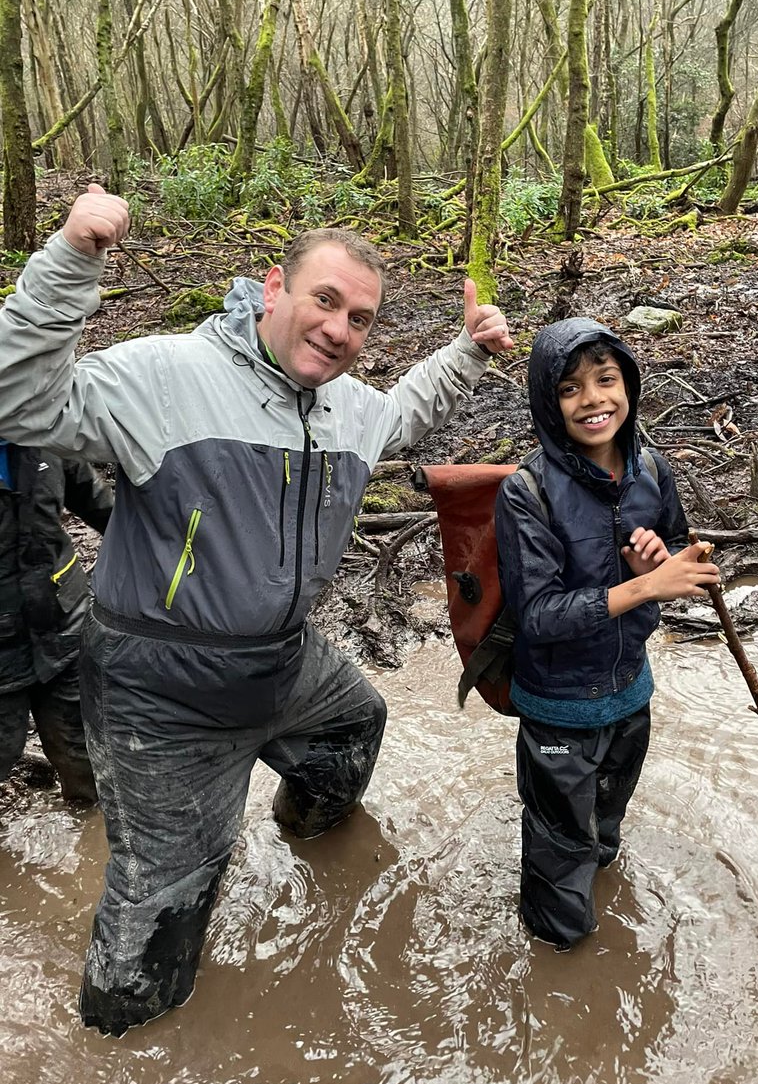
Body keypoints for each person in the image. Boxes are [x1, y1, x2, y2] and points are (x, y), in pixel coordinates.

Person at [0, 184, 513, 1036]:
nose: (340, 329)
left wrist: (465, 351)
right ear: (274, 288)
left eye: (360, 318)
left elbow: (404, 416)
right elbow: (19, 406)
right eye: (324, 300)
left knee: (354, 730)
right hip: (159, 695)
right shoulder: (163, 376)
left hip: (283, 662)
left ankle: (311, 850)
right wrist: (71, 261)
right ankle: (119, 1051)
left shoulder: (348, 407)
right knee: (162, 899)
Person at [494, 318, 720, 950]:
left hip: (630, 695)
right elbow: (538, 617)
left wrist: (659, 558)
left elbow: (679, 554)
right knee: (559, 872)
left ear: (629, 385)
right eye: (570, 389)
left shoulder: (650, 467)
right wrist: (643, 588)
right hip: (558, 709)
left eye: (606, 380)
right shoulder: (525, 492)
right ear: (548, 401)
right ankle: (555, 966)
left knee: (604, 837)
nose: (593, 400)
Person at [0, 441, 111, 802]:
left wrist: (175, 546)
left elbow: (101, 505)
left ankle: (90, 833)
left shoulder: (41, 430)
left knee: (81, 750)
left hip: (63, 624)